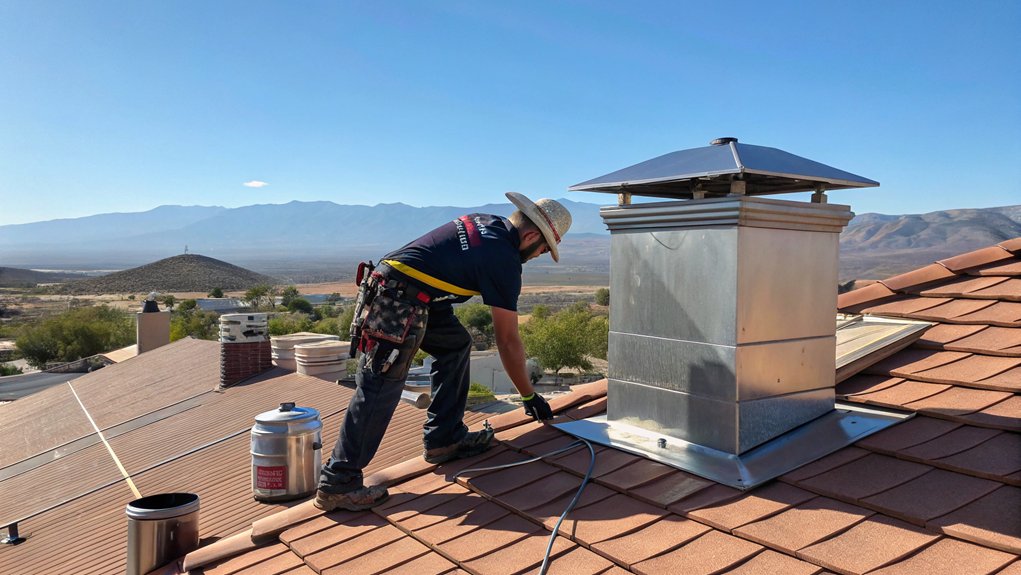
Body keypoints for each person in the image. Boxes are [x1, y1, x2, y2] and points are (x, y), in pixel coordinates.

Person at [314, 192, 573, 511]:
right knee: (381, 385)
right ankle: (338, 481)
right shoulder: (502, 258)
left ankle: (444, 439)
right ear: (532, 235)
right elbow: (507, 340)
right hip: (398, 301)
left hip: (413, 293)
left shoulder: (487, 222)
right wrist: (528, 395)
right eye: (544, 249)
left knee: (455, 344)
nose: (539, 255)